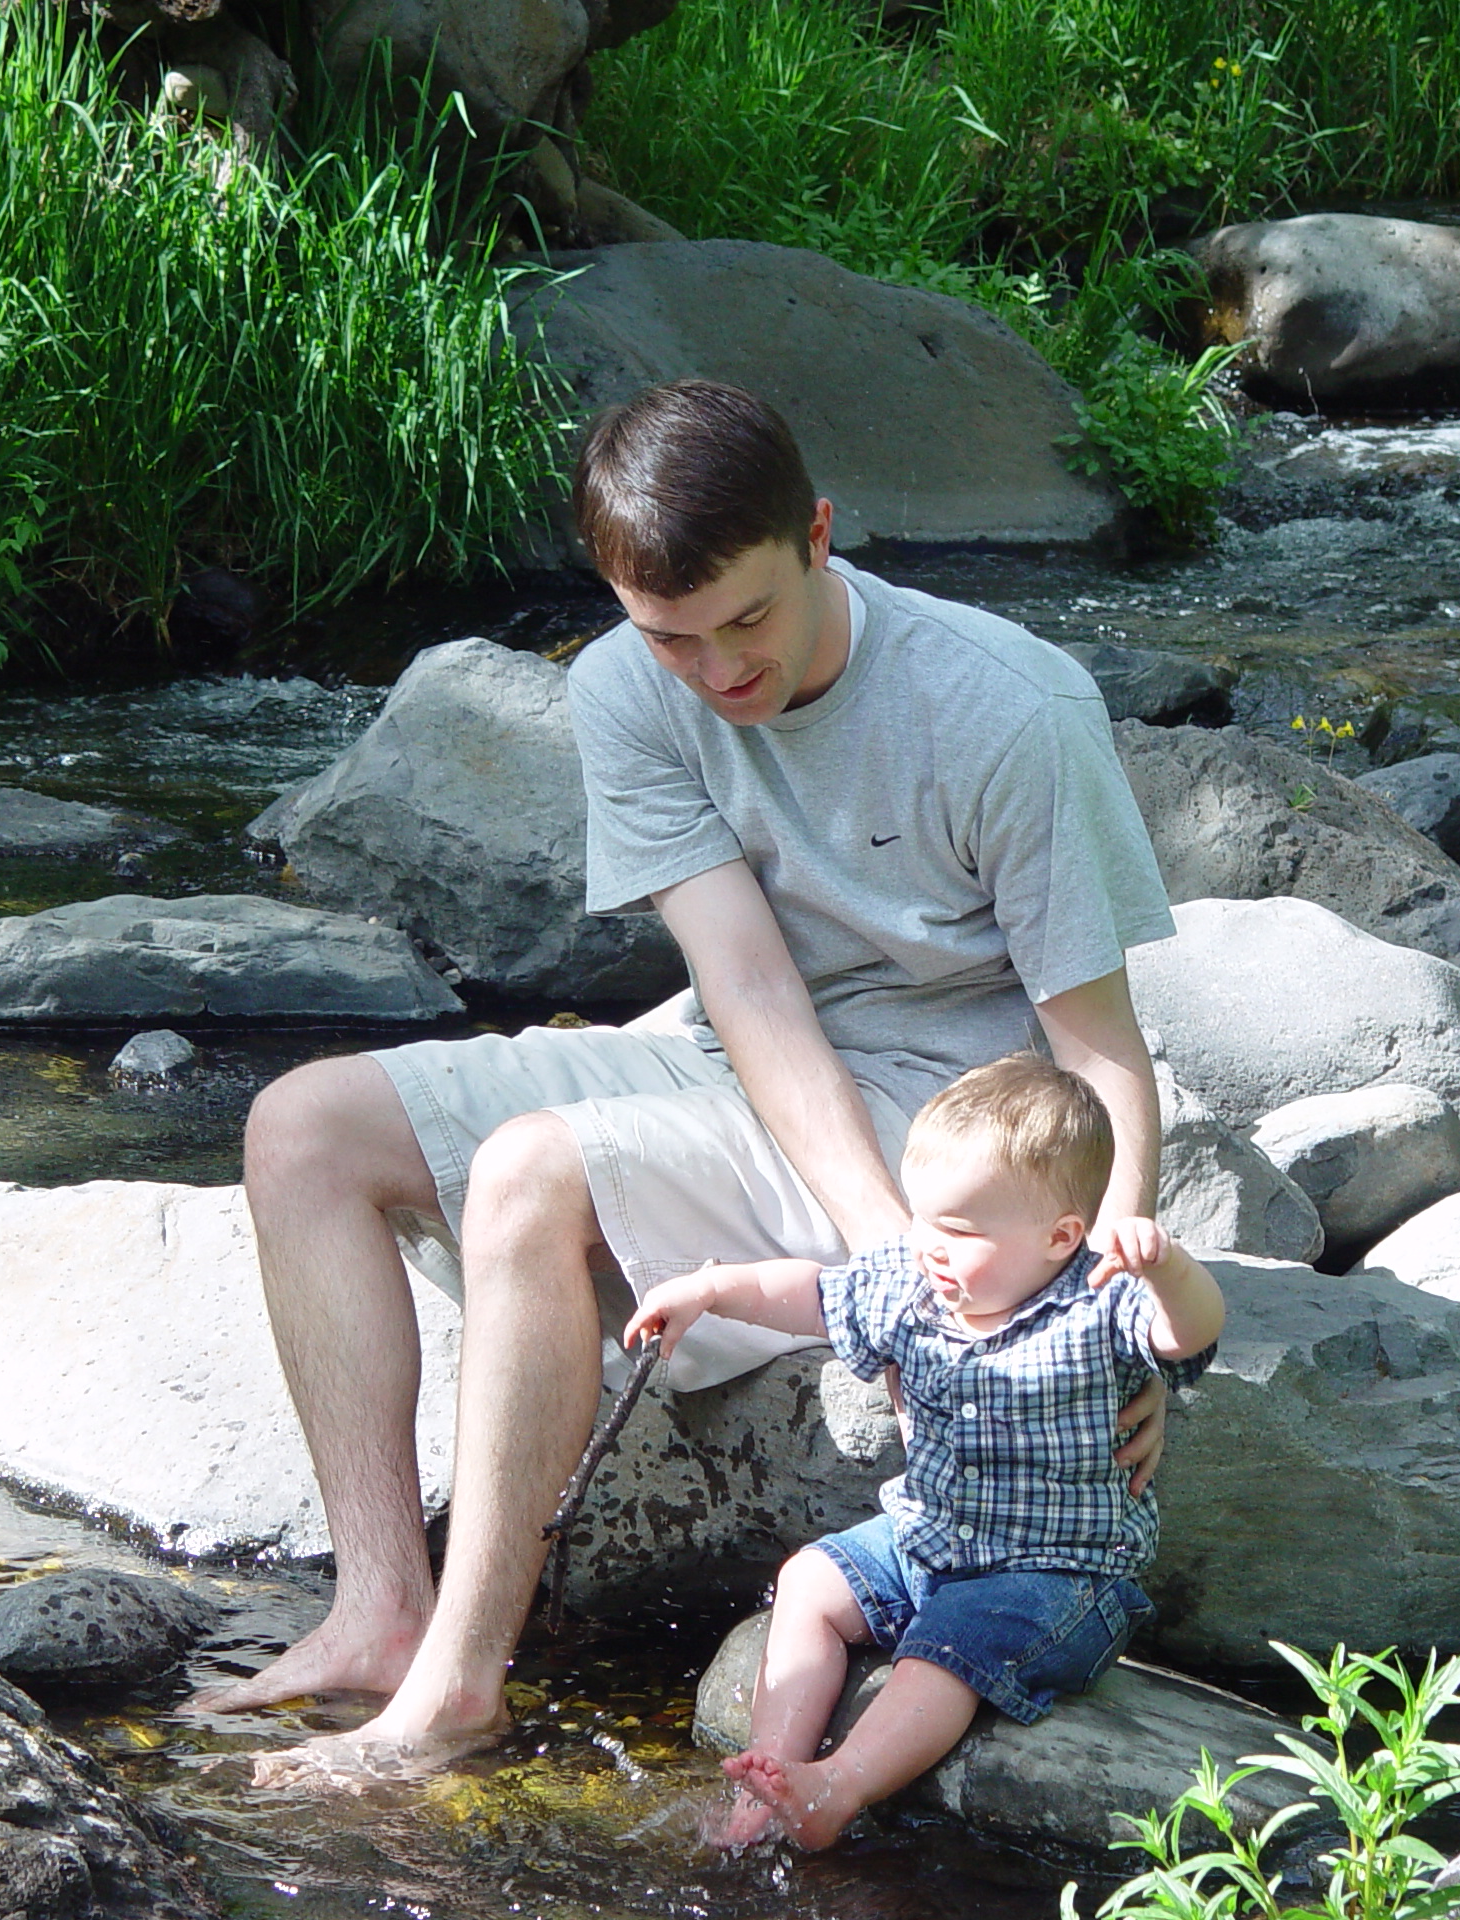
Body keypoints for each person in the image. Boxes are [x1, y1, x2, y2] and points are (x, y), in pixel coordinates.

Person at [217, 379, 1182, 1781]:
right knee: (298, 1128)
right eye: (674, 636)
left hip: (959, 1120)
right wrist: (874, 1247)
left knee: (529, 1173)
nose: (723, 673)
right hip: (735, 1056)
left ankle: (456, 1692)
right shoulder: (623, 688)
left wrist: (1097, 1294)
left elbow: (1097, 1047)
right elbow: (748, 988)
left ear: (820, 539)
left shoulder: (1011, 709)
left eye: (749, 621)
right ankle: (378, 1611)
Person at [624, 1053, 1223, 1849]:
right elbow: (808, 1294)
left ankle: (837, 1789)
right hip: (926, 1540)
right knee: (808, 1581)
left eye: (960, 1230)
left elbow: (1189, 1336)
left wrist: (1170, 1267)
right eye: (922, 1218)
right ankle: (769, 1777)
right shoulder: (911, 1280)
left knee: (946, 1652)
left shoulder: (1099, 1301)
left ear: (1061, 1236)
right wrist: (709, 1290)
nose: (929, 1247)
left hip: (1055, 1575)